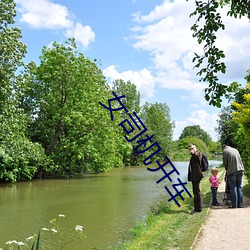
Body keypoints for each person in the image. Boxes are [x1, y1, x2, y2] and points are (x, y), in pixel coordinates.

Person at [188, 143, 204, 214]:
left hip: (196, 176)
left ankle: (198, 209)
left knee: (196, 192)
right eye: (190, 149)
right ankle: (197, 208)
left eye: (192, 148)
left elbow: (198, 158)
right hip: (195, 176)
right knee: (196, 192)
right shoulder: (194, 155)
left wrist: (194, 152)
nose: (191, 150)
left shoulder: (197, 154)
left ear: (195, 148)